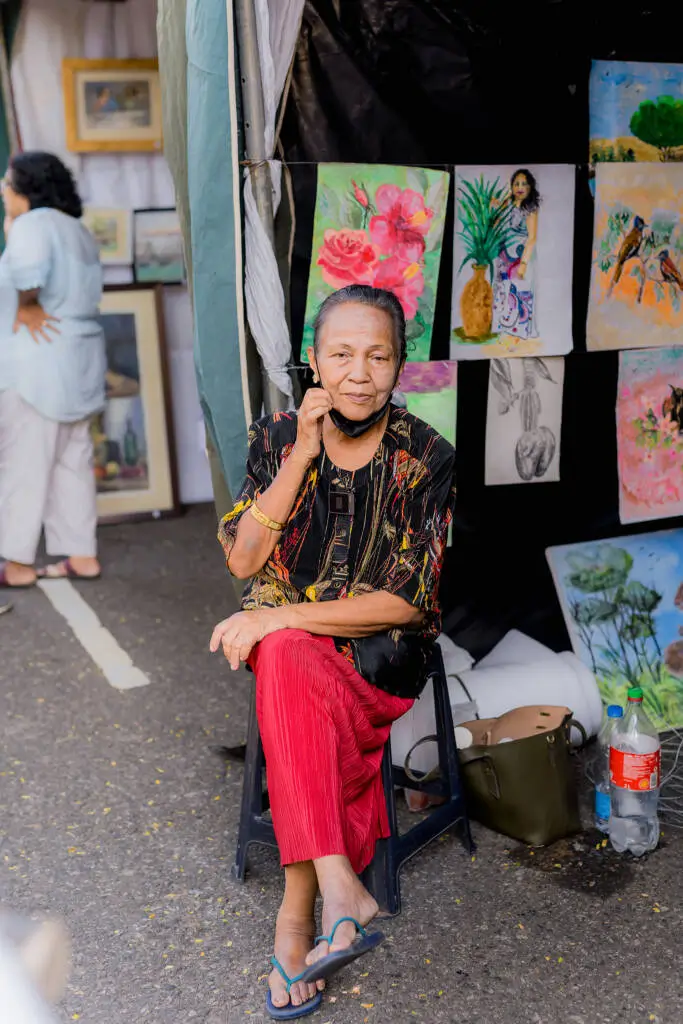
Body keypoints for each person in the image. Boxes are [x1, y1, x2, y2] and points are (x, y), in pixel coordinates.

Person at [210, 285, 455, 1019]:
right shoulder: (275, 438)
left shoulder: (426, 456)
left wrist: (277, 618)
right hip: (291, 660)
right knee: (286, 657)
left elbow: (407, 599)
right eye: (341, 354)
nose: (358, 373)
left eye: (377, 356)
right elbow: (243, 561)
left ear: (399, 366)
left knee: (280, 647)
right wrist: (302, 457)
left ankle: (300, 915)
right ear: (314, 362)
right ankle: (330, 896)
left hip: (381, 662)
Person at [0, 151, 106, 588]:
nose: (3, 190)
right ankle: (82, 556)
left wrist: (27, 304)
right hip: (79, 358)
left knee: (26, 460)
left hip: (39, 363)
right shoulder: (76, 229)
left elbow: (27, 272)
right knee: (72, 461)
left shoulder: (32, 224)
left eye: (8, 182)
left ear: (26, 188)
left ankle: (18, 563)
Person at [492, 168, 541, 339]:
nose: (520, 187)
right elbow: (497, 222)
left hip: (520, 257)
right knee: (502, 291)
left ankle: (519, 333)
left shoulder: (530, 209)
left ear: (530, 187)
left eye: (524, 184)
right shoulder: (508, 203)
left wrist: (523, 264)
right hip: (503, 255)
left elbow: (532, 238)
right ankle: (503, 329)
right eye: (516, 183)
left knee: (519, 292)